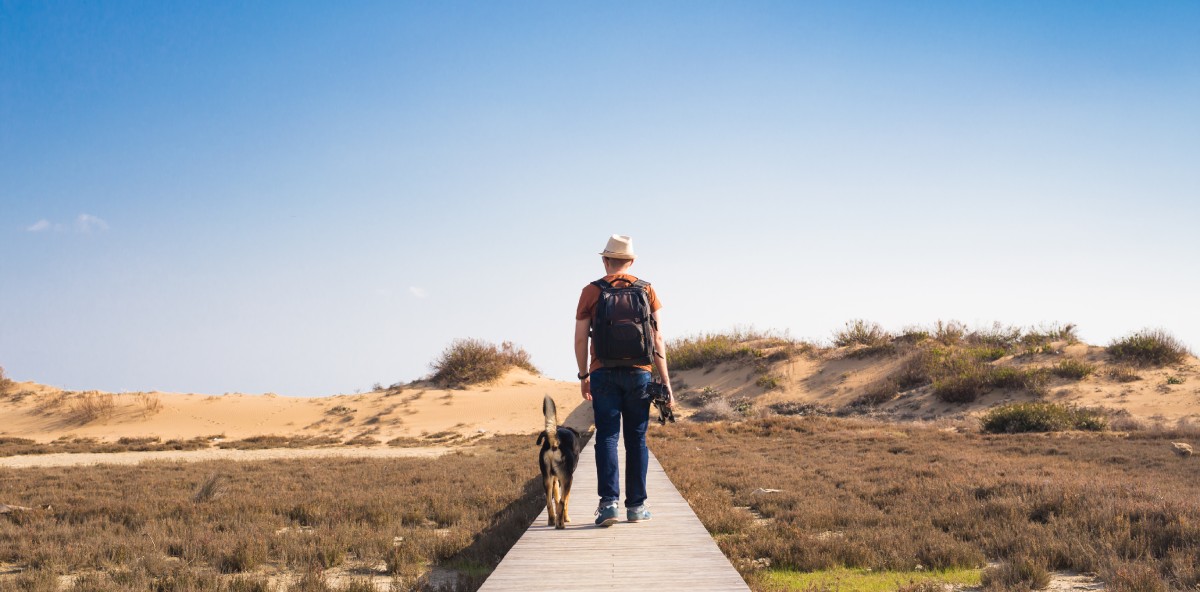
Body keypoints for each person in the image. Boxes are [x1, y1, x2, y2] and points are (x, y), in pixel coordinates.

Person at [574, 234, 673, 527]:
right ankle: (637, 507)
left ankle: (608, 505)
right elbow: (657, 338)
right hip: (640, 373)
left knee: (606, 437)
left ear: (605, 260)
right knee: (636, 441)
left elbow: (580, 338)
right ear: (630, 261)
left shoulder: (591, 292)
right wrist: (665, 382)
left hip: (603, 373)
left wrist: (584, 375)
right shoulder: (647, 290)